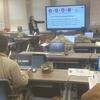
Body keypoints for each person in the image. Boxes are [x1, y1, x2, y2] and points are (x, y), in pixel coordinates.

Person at [0, 34, 32, 100]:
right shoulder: (12, 64)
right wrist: (25, 74)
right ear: (6, 47)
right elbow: (21, 84)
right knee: (30, 90)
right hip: (11, 98)